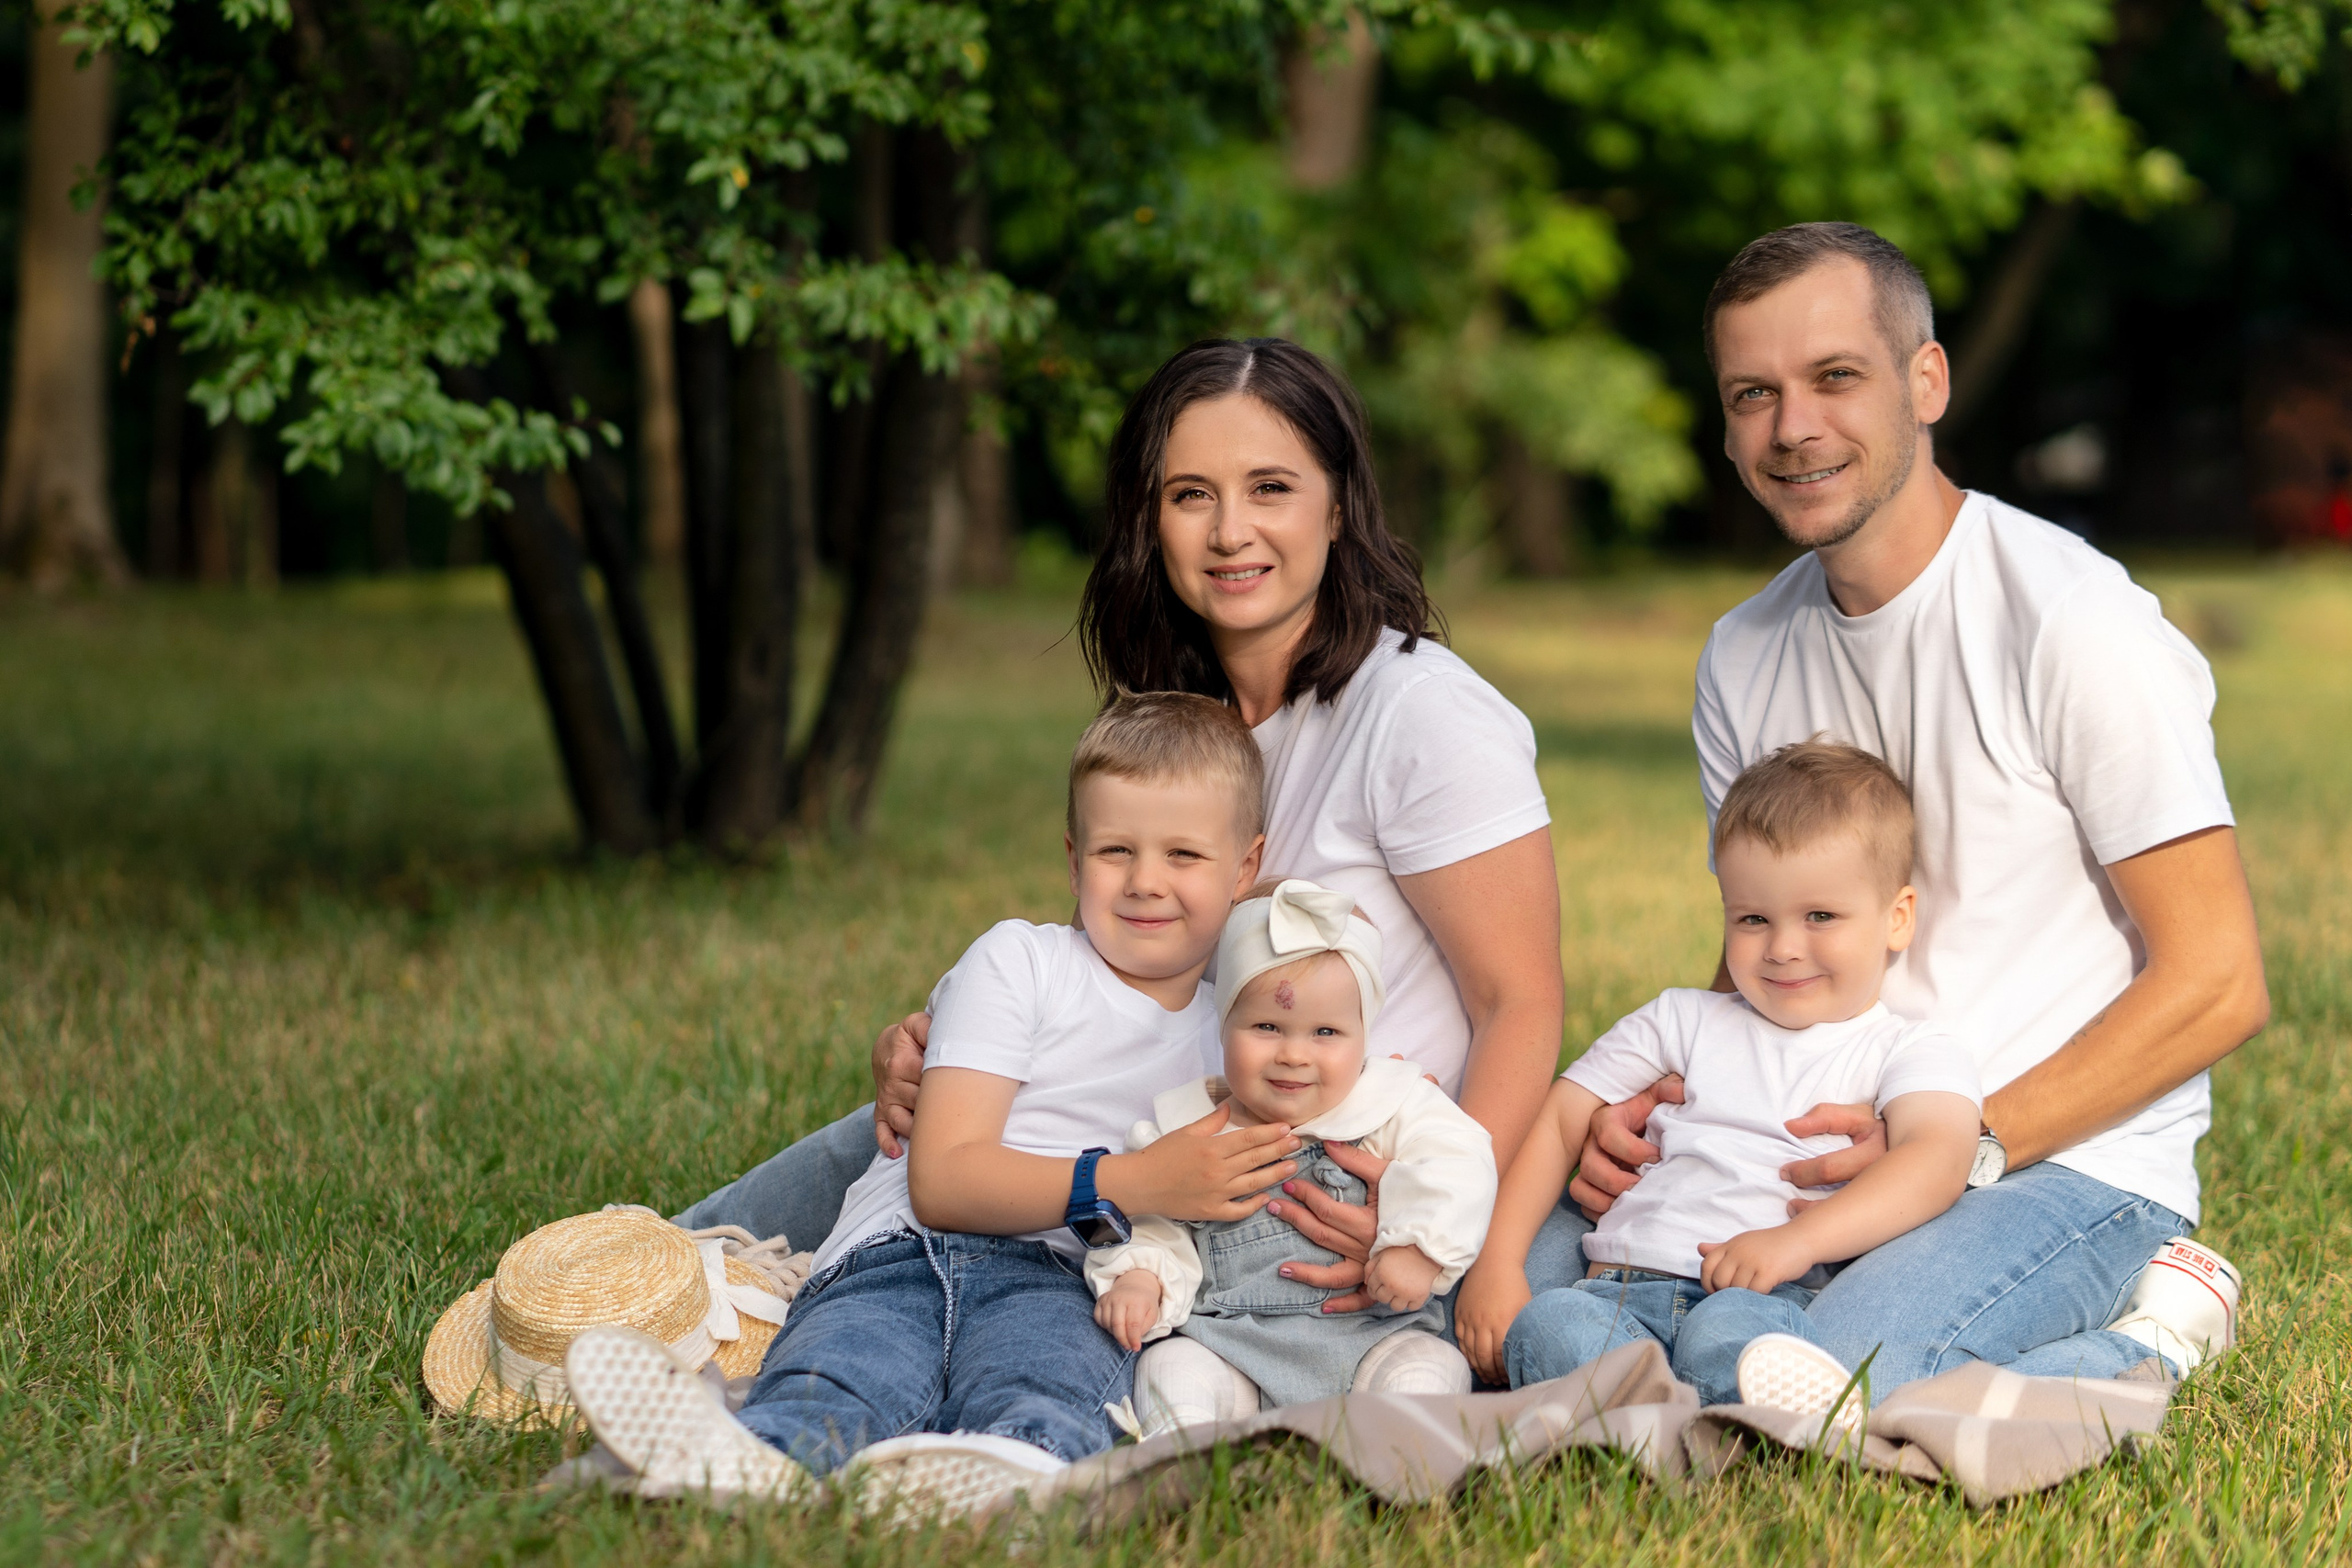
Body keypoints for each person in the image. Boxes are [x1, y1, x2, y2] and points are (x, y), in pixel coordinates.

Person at [678, 337, 1565, 1324]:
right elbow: (1111, 970)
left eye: (1270, 486)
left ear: (1340, 502)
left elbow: (1518, 1004)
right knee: (906, 1138)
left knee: (933, 1209)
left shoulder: (1418, 712)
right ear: (1150, 518)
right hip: (1141, 1123)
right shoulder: (1187, 724)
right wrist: (950, 1038)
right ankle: (610, 1293)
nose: (1230, 531)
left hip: (1295, 1178)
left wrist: (1437, 1227)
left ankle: (675, 1300)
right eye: (1191, 494)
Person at [1566, 221, 2267, 1395]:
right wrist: (1654, 1107)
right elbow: (1769, 934)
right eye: (1753, 394)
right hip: (1803, 1140)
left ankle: (2150, 1336)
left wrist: (1964, 1144)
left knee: (1804, 1378)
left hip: (2058, 1157)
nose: (1793, 428)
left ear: (1925, 380)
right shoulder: (1742, 653)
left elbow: (2219, 981)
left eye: (1834, 376)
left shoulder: (2070, 623)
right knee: (1525, 1301)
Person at [562, 693, 1292, 1511]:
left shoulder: (1233, 1040)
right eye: (1116, 848)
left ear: (1244, 867)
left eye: (1184, 855)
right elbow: (943, 1180)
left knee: (1045, 1396)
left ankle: (995, 1484)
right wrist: (1138, 1180)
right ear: (1072, 855)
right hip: (899, 1254)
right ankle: (748, 1460)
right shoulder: (1021, 961)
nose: (1146, 881)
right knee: (836, 1377)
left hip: (1066, 1280)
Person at [1455, 742, 1979, 1421]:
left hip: (1761, 1293)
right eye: (1752, 918)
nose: (1783, 946)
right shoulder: (1684, 1018)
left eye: (1820, 916)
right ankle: (1663, 1426)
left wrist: (1796, 1244)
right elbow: (1561, 1118)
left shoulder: (1904, 1047)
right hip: (1617, 1288)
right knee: (1548, 1324)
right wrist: (1498, 1261)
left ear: (1897, 917)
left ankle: (1733, 1413)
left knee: (1730, 1341)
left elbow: (1936, 1156)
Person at [1091, 878, 1496, 1435]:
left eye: (1326, 1031)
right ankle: (1182, 1452)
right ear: (1223, 1023)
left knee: (1432, 1366)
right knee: (1170, 1364)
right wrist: (1141, 1278)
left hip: (1374, 1340)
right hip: (1234, 1346)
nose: (1293, 1054)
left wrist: (1420, 1246)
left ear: (1365, 1034)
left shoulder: (1391, 1102)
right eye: (1265, 1026)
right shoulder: (1190, 1128)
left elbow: (1462, 1159)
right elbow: (1152, 1217)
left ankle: (1401, 1457)